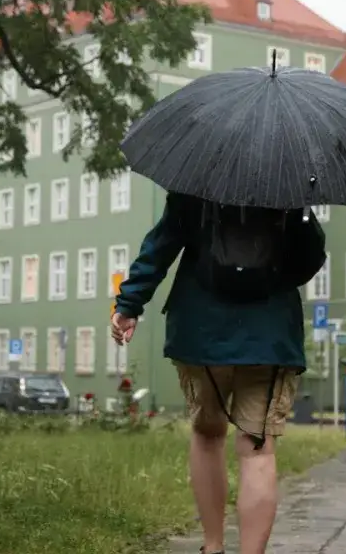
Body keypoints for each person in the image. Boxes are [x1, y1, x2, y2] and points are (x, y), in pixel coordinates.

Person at [111, 193, 326, 554]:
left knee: (207, 435)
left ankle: (212, 546)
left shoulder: (197, 183)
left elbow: (161, 244)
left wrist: (129, 304)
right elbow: (310, 260)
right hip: (269, 335)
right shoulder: (286, 187)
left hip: (201, 332)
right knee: (258, 449)